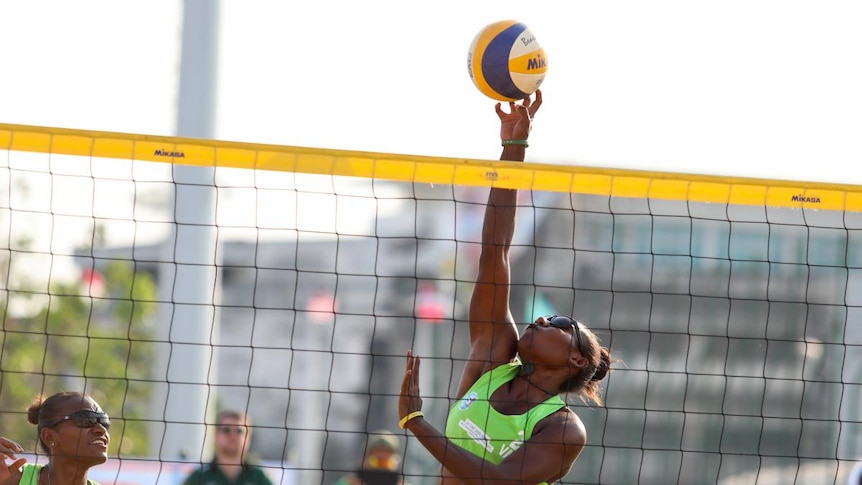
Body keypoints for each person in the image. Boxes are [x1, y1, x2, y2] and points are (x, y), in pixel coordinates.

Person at [397, 89, 613, 485]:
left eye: (562, 323)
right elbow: (495, 249)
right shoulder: (494, 360)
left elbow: (495, 480)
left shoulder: (565, 430)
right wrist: (513, 145)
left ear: (578, 360)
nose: (544, 318)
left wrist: (416, 421)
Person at [0, 392, 110, 485]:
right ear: (49, 437)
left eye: (104, 421)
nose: (101, 429)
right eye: (86, 419)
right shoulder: (11, 479)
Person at [182, 410, 273, 485]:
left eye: (239, 431)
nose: (232, 436)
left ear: (248, 438)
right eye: (226, 430)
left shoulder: (259, 477)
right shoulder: (199, 477)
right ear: (215, 436)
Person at [334, 430, 407, 485]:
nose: (380, 469)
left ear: (397, 463)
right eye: (375, 462)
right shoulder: (346, 483)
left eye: (385, 462)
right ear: (363, 460)